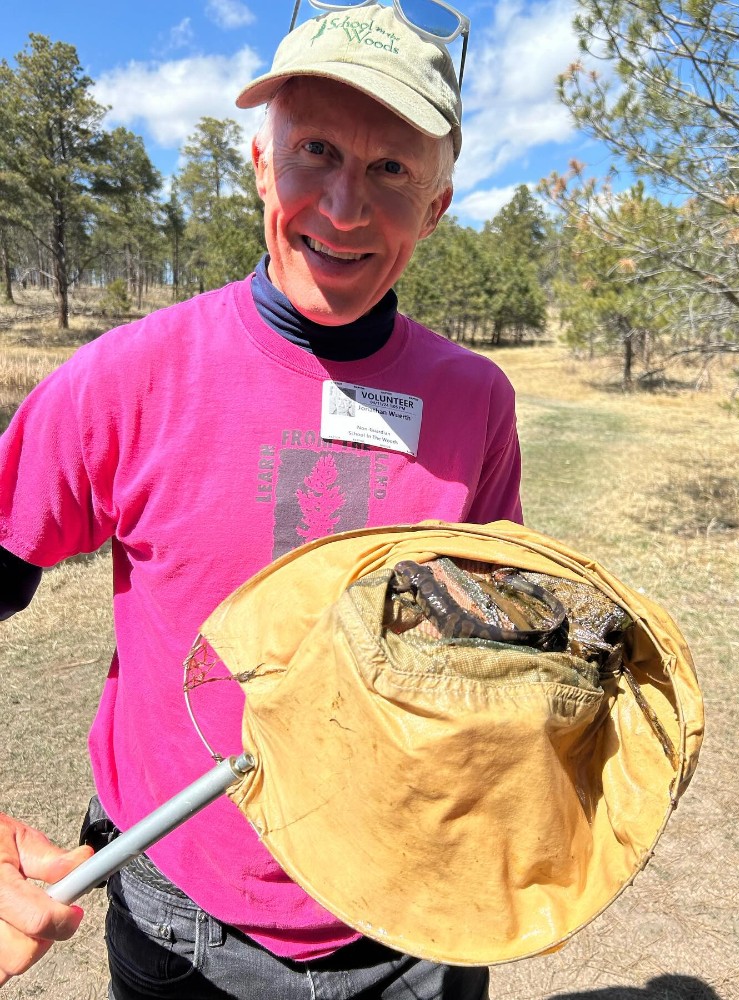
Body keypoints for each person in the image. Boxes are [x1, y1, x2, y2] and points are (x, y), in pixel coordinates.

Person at [0, 2, 522, 997]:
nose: (342, 206)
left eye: (390, 170)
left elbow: (487, 639)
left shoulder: (476, 404)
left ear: (439, 203)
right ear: (257, 161)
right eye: (315, 150)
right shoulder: (130, 376)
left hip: (416, 914)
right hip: (184, 921)